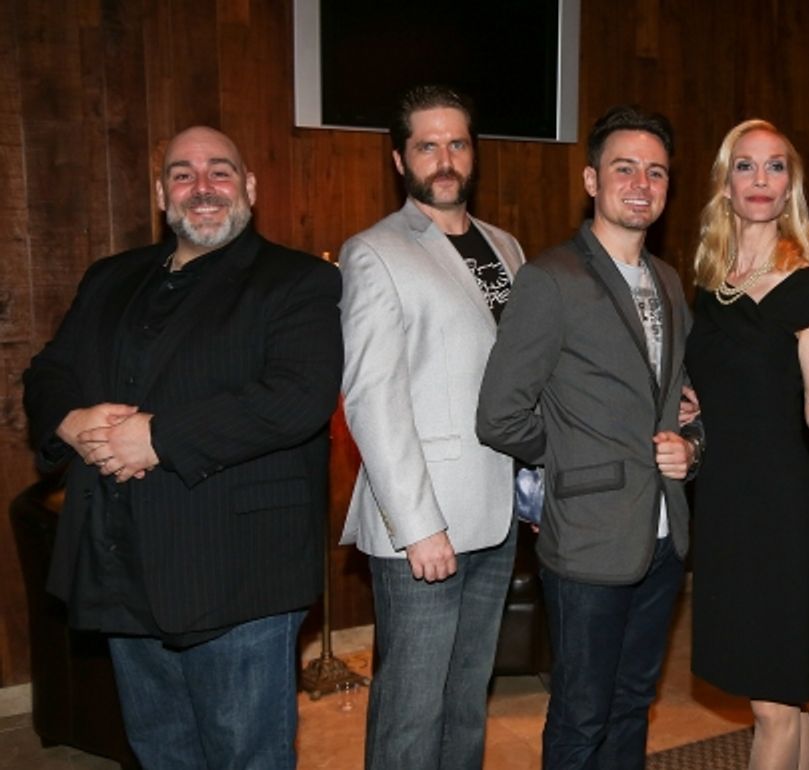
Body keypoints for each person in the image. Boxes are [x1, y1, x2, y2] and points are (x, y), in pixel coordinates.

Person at [22, 126, 343, 769]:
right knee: (160, 750)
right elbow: (48, 372)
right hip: (122, 560)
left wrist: (157, 438)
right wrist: (70, 420)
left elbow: (296, 398)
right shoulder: (111, 277)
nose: (202, 188)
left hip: (237, 571)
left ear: (248, 187)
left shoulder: (296, 280)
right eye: (183, 174)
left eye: (220, 172)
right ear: (161, 192)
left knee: (245, 756)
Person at [476, 105, 702, 770]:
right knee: (581, 715)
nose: (641, 182)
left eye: (656, 171)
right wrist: (571, 459)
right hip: (588, 539)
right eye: (624, 167)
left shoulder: (667, 281)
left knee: (633, 704)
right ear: (591, 179)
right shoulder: (551, 280)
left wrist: (693, 447)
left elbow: (685, 399)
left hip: (666, 533)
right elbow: (500, 414)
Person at [337, 84, 525, 770]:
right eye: (427, 145)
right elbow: (370, 396)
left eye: (457, 143)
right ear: (400, 159)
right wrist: (418, 526)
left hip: (495, 514)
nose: (445, 158)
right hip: (425, 528)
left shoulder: (506, 247)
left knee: (466, 702)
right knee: (412, 715)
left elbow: (518, 380)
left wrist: (531, 485)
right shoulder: (375, 251)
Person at [686, 119, 809, 770]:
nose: (760, 180)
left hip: (778, 506)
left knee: (774, 706)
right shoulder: (704, 282)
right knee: (782, 695)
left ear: (790, 189)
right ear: (726, 183)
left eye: (775, 167)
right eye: (745, 166)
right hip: (721, 501)